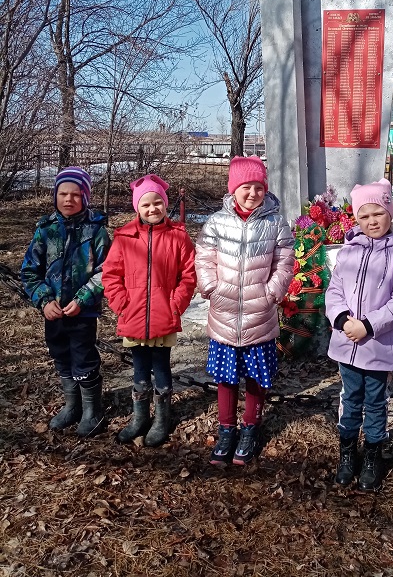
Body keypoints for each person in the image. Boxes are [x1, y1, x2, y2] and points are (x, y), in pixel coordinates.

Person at [195, 156, 294, 466]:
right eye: (245, 187)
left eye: (258, 187)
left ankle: (250, 426)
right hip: (224, 313)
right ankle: (227, 428)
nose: (252, 193)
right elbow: (204, 257)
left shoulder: (275, 222)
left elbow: (285, 261)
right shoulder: (216, 222)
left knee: (255, 377)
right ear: (233, 189)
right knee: (226, 378)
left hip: (259, 313)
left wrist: (272, 292)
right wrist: (211, 288)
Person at [325, 178, 393, 491]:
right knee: (350, 399)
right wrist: (340, 318)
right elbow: (334, 290)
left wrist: (368, 325)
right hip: (346, 342)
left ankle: (373, 454)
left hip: (378, 345)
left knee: (376, 402)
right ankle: (348, 452)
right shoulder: (347, 254)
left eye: (377, 213)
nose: (371, 221)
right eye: (363, 216)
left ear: (390, 213)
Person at [102, 174, 196, 447]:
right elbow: (110, 275)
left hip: (163, 317)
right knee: (139, 368)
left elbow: (188, 276)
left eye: (158, 203)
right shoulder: (125, 238)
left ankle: (162, 418)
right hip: (133, 316)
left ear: (165, 204)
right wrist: (122, 303)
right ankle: (139, 417)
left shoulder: (178, 237)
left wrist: (175, 304)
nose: (153, 208)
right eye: (146, 204)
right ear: (137, 208)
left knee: (161, 366)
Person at [21, 167, 111, 437]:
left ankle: (92, 410)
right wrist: (44, 300)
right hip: (54, 312)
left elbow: (106, 271)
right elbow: (29, 271)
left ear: (85, 197)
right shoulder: (46, 231)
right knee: (60, 355)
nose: (68, 199)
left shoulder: (96, 231)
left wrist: (84, 299)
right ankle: (72, 405)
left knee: (83, 357)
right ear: (55, 195)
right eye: (63, 194)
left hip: (82, 313)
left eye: (75, 194)